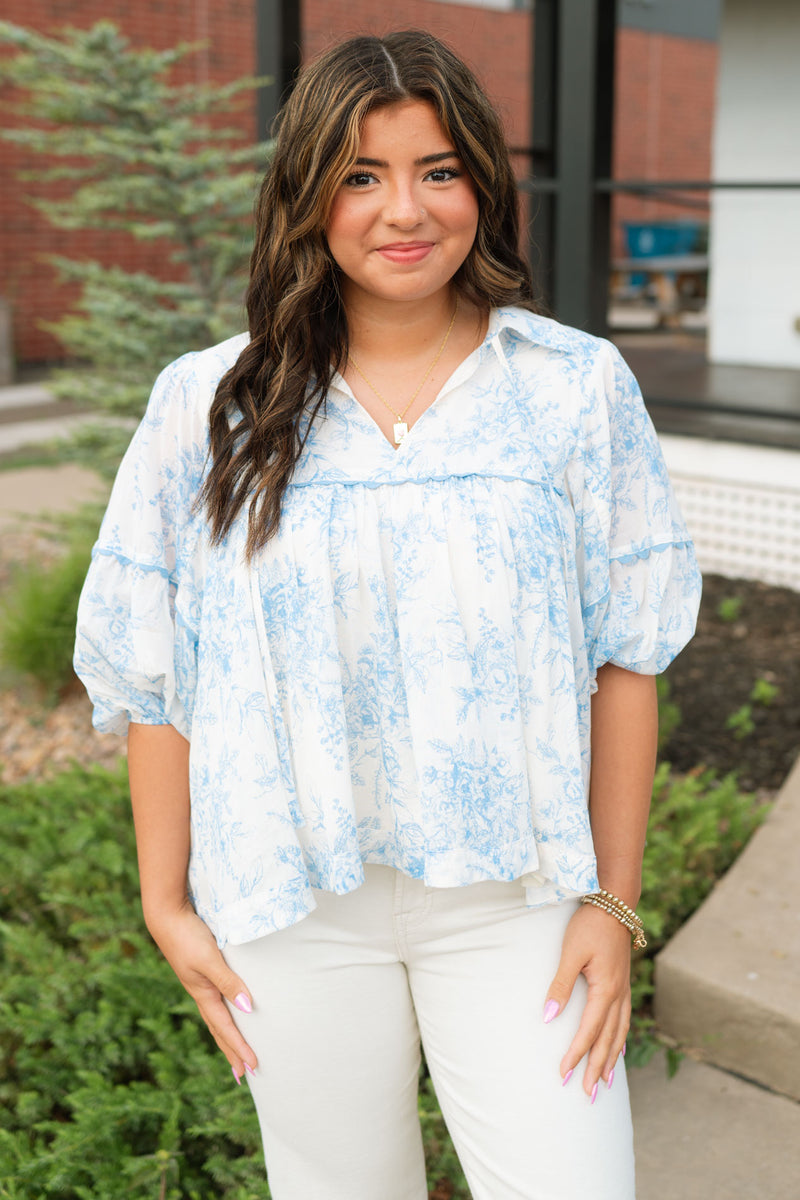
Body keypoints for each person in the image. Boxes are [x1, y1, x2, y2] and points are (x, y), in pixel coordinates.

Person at [74, 29, 701, 1200]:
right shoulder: (205, 404)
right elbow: (156, 672)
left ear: (482, 184)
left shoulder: (571, 387)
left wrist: (613, 903)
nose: (401, 211)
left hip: (514, 902)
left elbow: (627, 658)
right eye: (360, 176)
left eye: (437, 169)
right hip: (288, 907)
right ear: (307, 194)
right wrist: (166, 902)